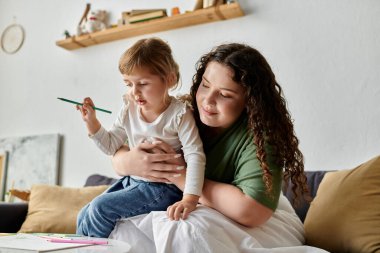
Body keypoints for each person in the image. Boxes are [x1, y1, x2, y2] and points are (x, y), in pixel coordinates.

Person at [109, 42, 310, 245]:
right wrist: (128, 162)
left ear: (249, 101)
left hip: (256, 221)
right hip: (184, 201)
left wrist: (179, 176)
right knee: (120, 226)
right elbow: (118, 152)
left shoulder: (260, 137)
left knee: (186, 230)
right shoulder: (180, 114)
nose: (208, 100)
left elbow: (252, 211)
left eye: (224, 94)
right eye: (205, 85)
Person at [75, 37, 206, 238]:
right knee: (84, 212)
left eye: (143, 83)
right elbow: (111, 146)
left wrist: (190, 198)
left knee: (100, 209)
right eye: (128, 84)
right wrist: (92, 123)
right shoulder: (129, 109)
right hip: (132, 181)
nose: (134, 92)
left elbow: (196, 156)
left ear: (169, 79)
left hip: (163, 188)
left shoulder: (179, 114)